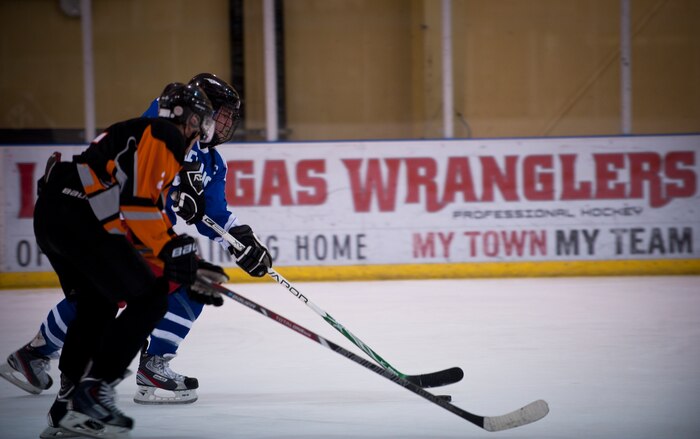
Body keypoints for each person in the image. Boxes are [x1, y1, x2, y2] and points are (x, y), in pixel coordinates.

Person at [0, 75, 273, 437]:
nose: (218, 124)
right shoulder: (163, 128)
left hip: (78, 212)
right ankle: (94, 385)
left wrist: (240, 239)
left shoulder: (207, 160)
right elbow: (140, 201)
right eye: (214, 115)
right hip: (98, 217)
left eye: (224, 118)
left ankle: (67, 400)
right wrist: (173, 248)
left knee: (99, 301)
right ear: (194, 114)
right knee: (146, 295)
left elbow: (208, 211)